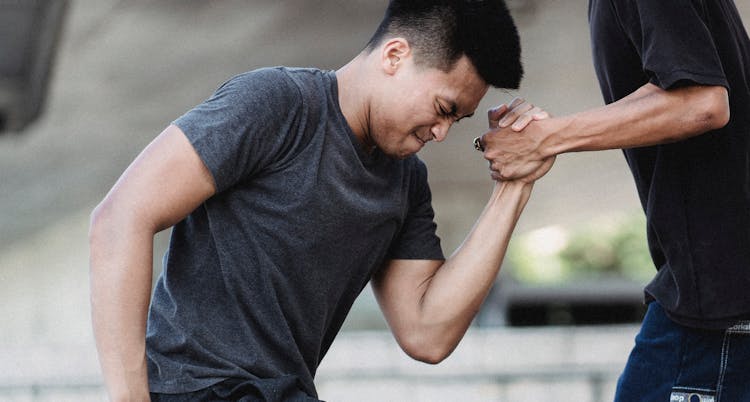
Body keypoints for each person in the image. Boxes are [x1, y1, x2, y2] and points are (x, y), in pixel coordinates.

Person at [89, 1, 554, 401]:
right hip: (194, 387)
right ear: (395, 55)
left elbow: (427, 334)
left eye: (458, 119)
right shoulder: (277, 104)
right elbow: (120, 216)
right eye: (443, 109)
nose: (442, 133)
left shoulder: (406, 182)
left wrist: (513, 186)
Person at [478, 0, 750, 401]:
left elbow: (702, 100)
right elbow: (680, 88)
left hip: (715, 312)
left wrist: (547, 139)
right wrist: (546, 136)